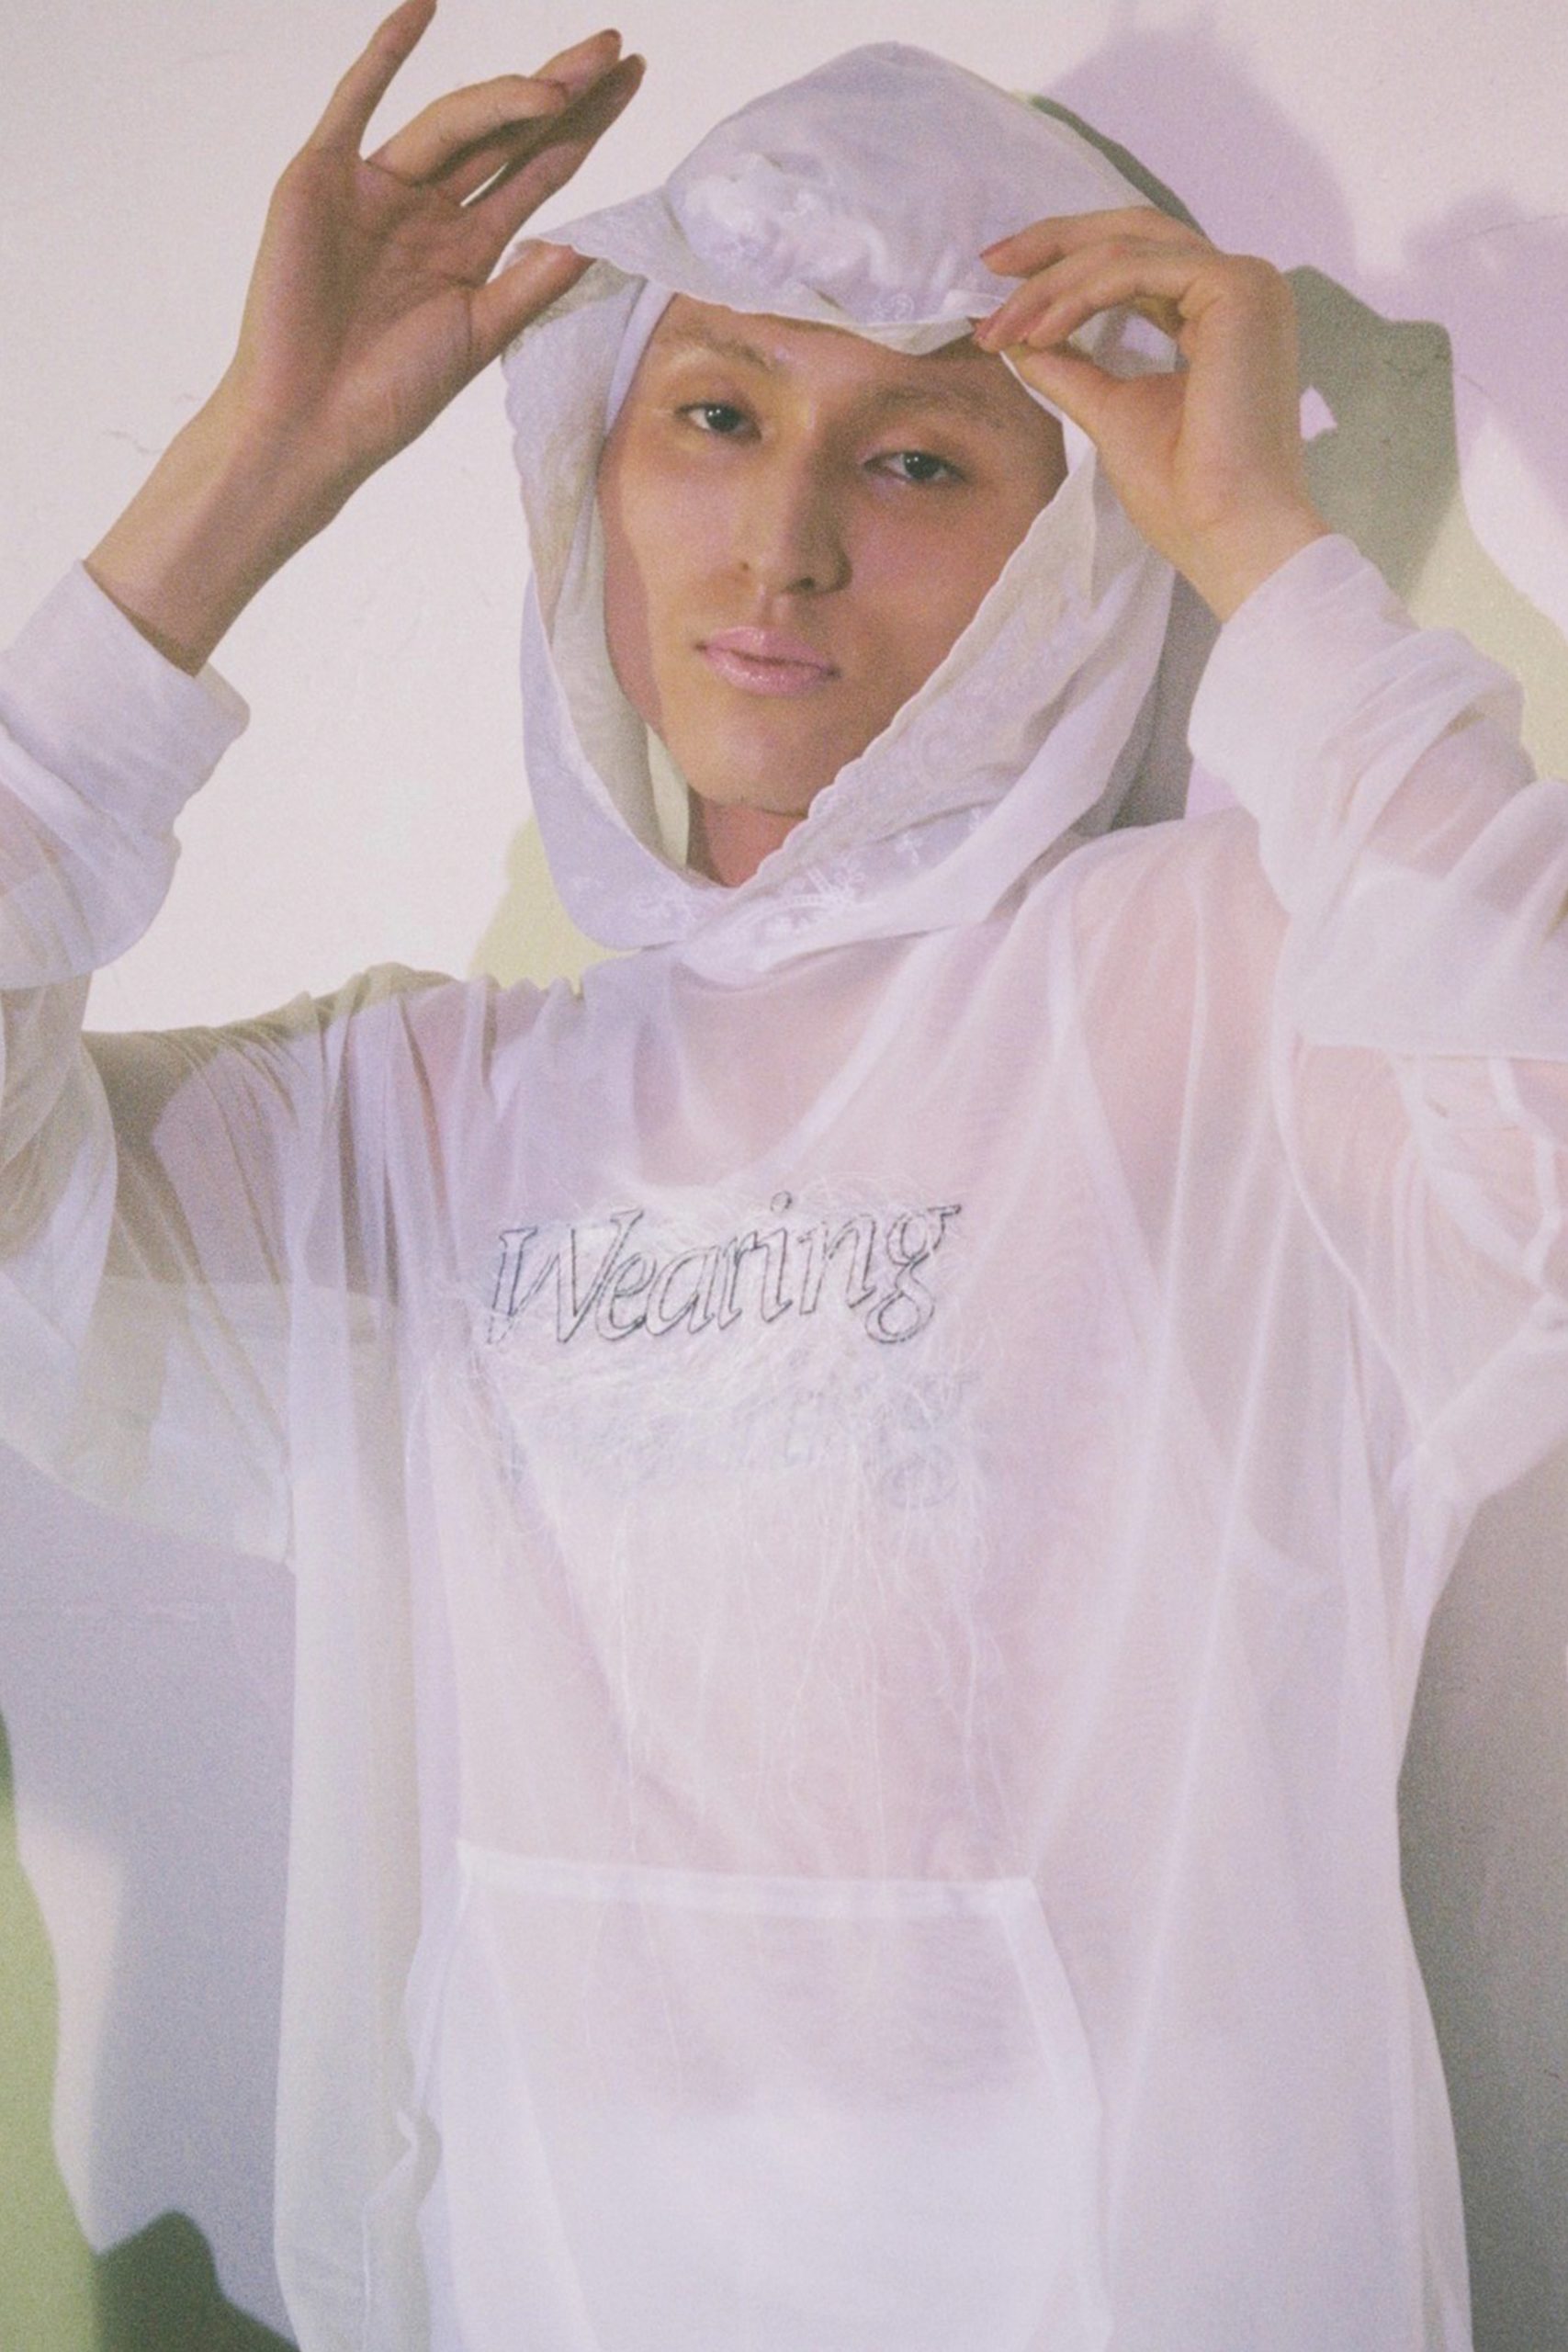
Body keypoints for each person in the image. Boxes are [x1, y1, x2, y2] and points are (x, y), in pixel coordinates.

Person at [4, 5, 1565, 2346]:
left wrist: (1260, 542)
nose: (782, 546)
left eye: (916, 457)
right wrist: (252, 464)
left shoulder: (1229, 988)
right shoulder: (415, 1123)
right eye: (713, 416)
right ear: (588, 471)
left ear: (1071, 541)